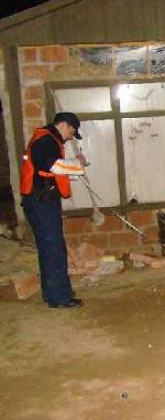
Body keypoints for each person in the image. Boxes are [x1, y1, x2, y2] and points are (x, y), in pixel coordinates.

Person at [20, 112, 87, 308]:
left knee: (52, 247)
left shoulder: (48, 140)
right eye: (72, 132)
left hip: (42, 200)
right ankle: (59, 297)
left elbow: (50, 171)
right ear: (64, 125)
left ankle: (55, 292)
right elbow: (56, 167)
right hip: (41, 202)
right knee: (53, 248)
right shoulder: (46, 141)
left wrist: (74, 167)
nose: (71, 137)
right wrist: (79, 165)